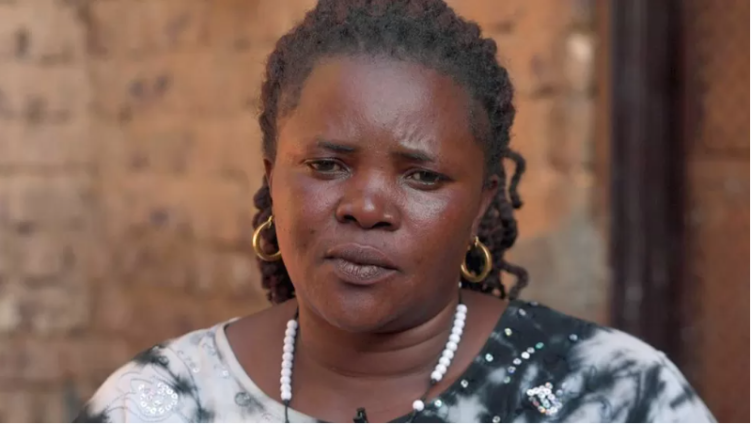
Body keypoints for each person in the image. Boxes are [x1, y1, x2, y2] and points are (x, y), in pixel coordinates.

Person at [74, 1, 715, 422]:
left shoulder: (612, 394)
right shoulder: (161, 402)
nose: (366, 207)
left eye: (423, 176)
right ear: (271, 179)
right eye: (327, 165)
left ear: (481, 204)